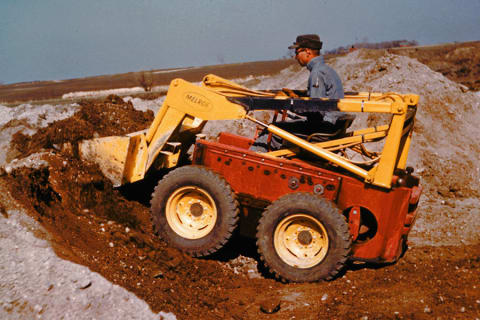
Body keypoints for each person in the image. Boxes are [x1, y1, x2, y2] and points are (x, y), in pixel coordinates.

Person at [250, 34, 352, 152]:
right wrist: (297, 97)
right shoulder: (325, 69)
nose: (295, 57)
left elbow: (315, 108)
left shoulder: (317, 73)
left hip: (323, 129)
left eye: (297, 52)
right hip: (330, 127)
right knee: (283, 126)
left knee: (273, 130)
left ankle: (252, 157)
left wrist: (291, 105)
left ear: (307, 52)